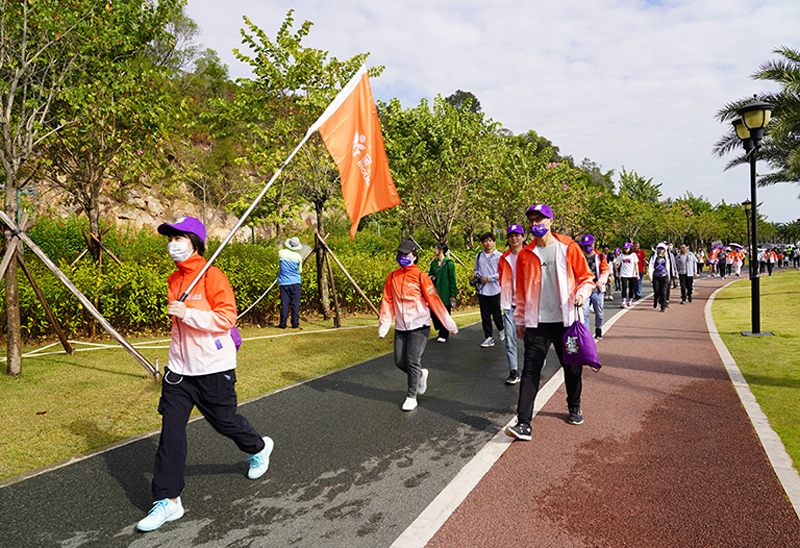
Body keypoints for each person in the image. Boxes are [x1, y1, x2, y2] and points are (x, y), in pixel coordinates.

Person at [138, 217, 273, 532]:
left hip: (213, 369)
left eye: (179, 237)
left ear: (195, 242)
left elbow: (227, 317)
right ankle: (168, 500)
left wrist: (191, 314)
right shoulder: (174, 279)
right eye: (169, 238)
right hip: (179, 373)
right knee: (171, 433)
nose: (172, 243)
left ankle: (258, 448)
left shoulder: (213, 276)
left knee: (224, 421)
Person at [504, 204, 594, 441]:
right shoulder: (526, 254)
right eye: (531, 221)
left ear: (551, 221)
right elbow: (522, 291)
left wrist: (582, 294)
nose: (535, 224)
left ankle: (574, 405)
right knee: (530, 370)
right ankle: (524, 423)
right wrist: (520, 320)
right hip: (538, 324)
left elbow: (587, 278)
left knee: (572, 368)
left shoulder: (568, 247)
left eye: (539, 219)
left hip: (567, 322)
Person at [379, 240, 458, 411]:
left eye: (406, 254)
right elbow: (387, 301)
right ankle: (421, 375)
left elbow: (435, 302)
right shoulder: (392, 276)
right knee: (399, 361)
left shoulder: (421, 276)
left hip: (419, 325)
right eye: (399, 254)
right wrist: (384, 325)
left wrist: (449, 325)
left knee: (412, 360)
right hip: (401, 327)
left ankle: (411, 396)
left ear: (414, 256)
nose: (402, 257)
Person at [498, 224, 526, 384]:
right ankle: (513, 370)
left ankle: (534, 363)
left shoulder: (532, 255)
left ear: (523, 237)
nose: (514, 238)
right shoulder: (504, 258)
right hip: (510, 305)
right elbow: (502, 278)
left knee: (530, 339)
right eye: (511, 236)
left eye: (517, 235)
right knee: (510, 338)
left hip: (529, 305)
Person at [474, 232, 504, 348]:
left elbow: (501, 272)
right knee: (484, 315)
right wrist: (476, 275)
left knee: (496, 312)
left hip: (494, 289)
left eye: (490, 241)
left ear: (494, 242)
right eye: (485, 241)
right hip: (481, 290)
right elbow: (476, 269)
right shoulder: (479, 256)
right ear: (482, 243)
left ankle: (501, 329)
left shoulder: (499, 256)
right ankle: (489, 337)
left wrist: (490, 278)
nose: (488, 243)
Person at [579, 234, 609, 340]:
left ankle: (598, 328)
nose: (587, 247)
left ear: (593, 243)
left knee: (599, 312)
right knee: (584, 312)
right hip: (584, 289)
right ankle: (586, 336)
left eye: (589, 244)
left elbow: (605, 270)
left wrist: (601, 280)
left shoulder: (600, 256)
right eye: (585, 245)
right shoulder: (579, 256)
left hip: (597, 289)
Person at [428, 242, 458, 343]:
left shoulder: (449, 264)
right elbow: (429, 275)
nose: (434, 250)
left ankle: (444, 334)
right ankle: (439, 328)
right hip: (434, 293)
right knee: (433, 313)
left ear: (441, 251)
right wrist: (431, 277)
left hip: (446, 293)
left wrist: (453, 294)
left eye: (436, 248)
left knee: (445, 314)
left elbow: (452, 280)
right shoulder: (433, 264)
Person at [278, 237, 303, 329]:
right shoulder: (298, 257)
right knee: (295, 304)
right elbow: (299, 270)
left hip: (284, 282)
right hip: (296, 282)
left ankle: (283, 324)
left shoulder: (281, 253)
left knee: (284, 304)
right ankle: (295, 324)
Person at [648, 242, 675, 312]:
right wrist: (650, 275)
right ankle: (655, 300)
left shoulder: (666, 257)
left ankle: (663, 306)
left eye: (662, 249)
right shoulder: (654, 257)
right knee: (657, 291)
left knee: (664, 291)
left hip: (664, 275)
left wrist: (669, 276)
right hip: (656, 275)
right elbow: (650, 266)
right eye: (659, 249)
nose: (660, 250)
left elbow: (668, 266)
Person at [614, 243, 639, 308]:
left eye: (627, 248)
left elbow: (636, 264)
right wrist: (617, 267)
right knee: (624, 287)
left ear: (630, 248)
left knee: (631, 288)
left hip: (632, 274)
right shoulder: (621, 255)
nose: (626, 250)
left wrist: (637, 274)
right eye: (625, 248)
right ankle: (624, 301)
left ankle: (630, 300)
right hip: (624, 274)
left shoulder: (633, 255)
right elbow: (616, 262)